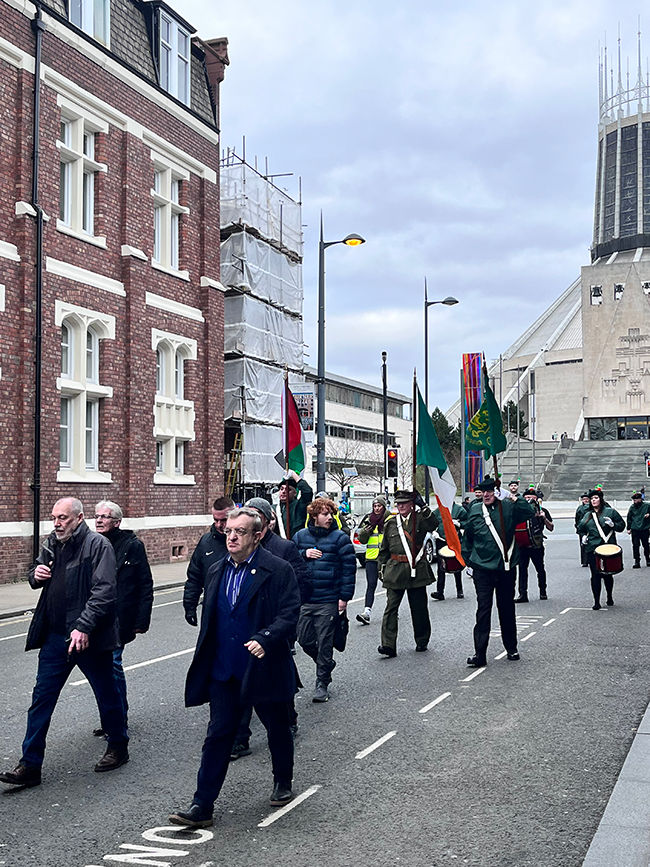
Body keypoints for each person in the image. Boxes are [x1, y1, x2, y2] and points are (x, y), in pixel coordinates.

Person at [169, 507, 301, 828]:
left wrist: (266, 638)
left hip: (263, 666)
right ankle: (202, 805)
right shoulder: (216, 570)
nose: (231, 537)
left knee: (277, 727)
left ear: (257, 536)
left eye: (239, 532)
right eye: (228, 531)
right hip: (224, 669)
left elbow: (290, 611)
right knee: (218, 735)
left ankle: (282, 781)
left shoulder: (278, 569)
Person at [0, 498, 128, 789]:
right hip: (57, 637)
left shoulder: (98, 546)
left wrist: (83, 627)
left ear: (79, 518)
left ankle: (118, 746)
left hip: (89, 637)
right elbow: (36, 572)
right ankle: (30, 765)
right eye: (55, 517)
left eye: (64, 518)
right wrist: (36, 575)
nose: (57, 523)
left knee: (107, 694)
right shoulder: (52, 542)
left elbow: (105, 591)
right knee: (41, 699)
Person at [228, 497, 312, 759]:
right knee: (240, 684)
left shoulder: (283, 549)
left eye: (255, 516)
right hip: (242, 632)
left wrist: (279, 613)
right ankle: (240, 737)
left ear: (265, 522)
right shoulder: (233, 550)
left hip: (274, 631)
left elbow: (302, 586)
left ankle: (288, 718)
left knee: (276, 685)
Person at [93, 501, 153, 734]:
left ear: (117, 522)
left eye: (105, 517)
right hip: (96, 618)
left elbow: (145, 583)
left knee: (114, 666)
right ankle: (111, 718)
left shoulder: (132, 546)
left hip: (119, 619)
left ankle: (118, 719)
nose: (99, 520)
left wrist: (141, 621)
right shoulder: (92, 544)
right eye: (97, 516)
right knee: (102, 671)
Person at [462, 477, 536, 667]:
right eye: (483, 491)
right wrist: (469, 561)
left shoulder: (507, 508)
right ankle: (480, 654)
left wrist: (514, 498)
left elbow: (529, 512)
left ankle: (511, 648)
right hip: (483, 569)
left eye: (490, 491)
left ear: (496, 491)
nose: (486, 495)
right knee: (483, 611)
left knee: (507, 609)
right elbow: (468, 537)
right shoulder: (475, 510)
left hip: (505, 567)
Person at [293, 498, 356, 702]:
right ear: (314, 516)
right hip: (304, 599)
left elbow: (348, 569)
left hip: (328, 599)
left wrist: (344, 598)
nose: (329, 517)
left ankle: (322, 682)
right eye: (324, 514)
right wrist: (304, 553)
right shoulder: (300, 537)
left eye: (331, 513)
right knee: (304, 639)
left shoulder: (340, 538)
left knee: (325, 641)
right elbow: (289, 560)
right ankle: (325, 663)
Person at [376, 490, 438, 657]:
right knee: (391, 609)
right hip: (395, 570)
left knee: (419, 609)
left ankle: (422, 639)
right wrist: (381, 570)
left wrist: (423, 506)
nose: (401, 506)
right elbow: (384, 550)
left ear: (411, 504)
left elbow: (433, 524)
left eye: (404, 503)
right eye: (398, 503)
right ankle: (388, 644)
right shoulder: (391, 523)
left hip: (416, 569)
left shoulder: (419, 520)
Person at [183, 496, 234, 626]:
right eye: (215, 520)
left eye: (223, 520)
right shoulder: (206, 542)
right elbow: (195, 577)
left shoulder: (244, 540)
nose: (218, 525)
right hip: (213, 609)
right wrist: (190, 606)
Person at [578, 489, 625, 610]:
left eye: (596, 498)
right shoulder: (587, 515)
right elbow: (580, 527)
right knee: (595, 575)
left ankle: (609, 596)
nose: (593, 500)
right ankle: (596, 601)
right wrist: (583, 536)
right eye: (592, 499)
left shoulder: (610, 512)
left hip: (607, 547)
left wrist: (613, 525)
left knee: (607, 574)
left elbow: (622, 526)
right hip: (592, 548)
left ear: (601, 499)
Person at [515, 488, 554, 602]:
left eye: (532, 498)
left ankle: (543, 592)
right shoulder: (520, 512)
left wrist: (544, 518)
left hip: (536, 545)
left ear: (537, 500)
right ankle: (523, 594)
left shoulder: (543, 510)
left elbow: (551, 528)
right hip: (522, 546)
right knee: (522, 570)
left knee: (540, 568)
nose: (529, 500)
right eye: (526, 498)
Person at [356, 496, 389, 623]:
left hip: (385, 558)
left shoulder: (389, 519)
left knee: (389, 585)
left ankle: (391, 610)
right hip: (371, 558)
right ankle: (366, 612)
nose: (376, 508)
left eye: (379, 506)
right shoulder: (369, 520)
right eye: (375, 506)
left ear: (383, 506)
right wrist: (365, 532)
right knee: (371, 584)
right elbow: (362, 540)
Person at [430, 502, 467, 600]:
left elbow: (468, 523)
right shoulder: (439, 510)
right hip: (441, 540)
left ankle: (460, 590)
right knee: (441, 566)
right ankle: (440, 591)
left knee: (456, 564)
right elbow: (431, 522)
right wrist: (434, 532)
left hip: (454, 540)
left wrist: (459, 523)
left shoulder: (459, 509)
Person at [275, 472, 313, 539]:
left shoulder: (299, 506)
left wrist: (294, 475)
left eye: (288, 489)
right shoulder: (274, 508)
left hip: (295, 544)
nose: (283, 491)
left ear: (295, 493)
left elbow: (307, 492)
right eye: (281, 489)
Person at [627, 491, 650, 568]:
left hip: (644, 529)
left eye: (636, 500)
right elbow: (629, 518)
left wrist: (649, 514)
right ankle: (637, 561)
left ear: (640, 499)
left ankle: (648, 559)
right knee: (635, 546)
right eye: (634, 500)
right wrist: (629, 528)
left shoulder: (647, 506)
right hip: (635, 529)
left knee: (646, 545)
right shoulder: (632, 508)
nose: (635, 501)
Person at [574, 492, 591, 566]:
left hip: (591, 528)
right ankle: (584, 561)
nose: (585, 501)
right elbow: (577, 518)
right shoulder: (580, 508)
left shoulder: (592, 507)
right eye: (584, 499)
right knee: (583, 545)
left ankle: (591, 560)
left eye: (587, 499)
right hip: (582, 528)